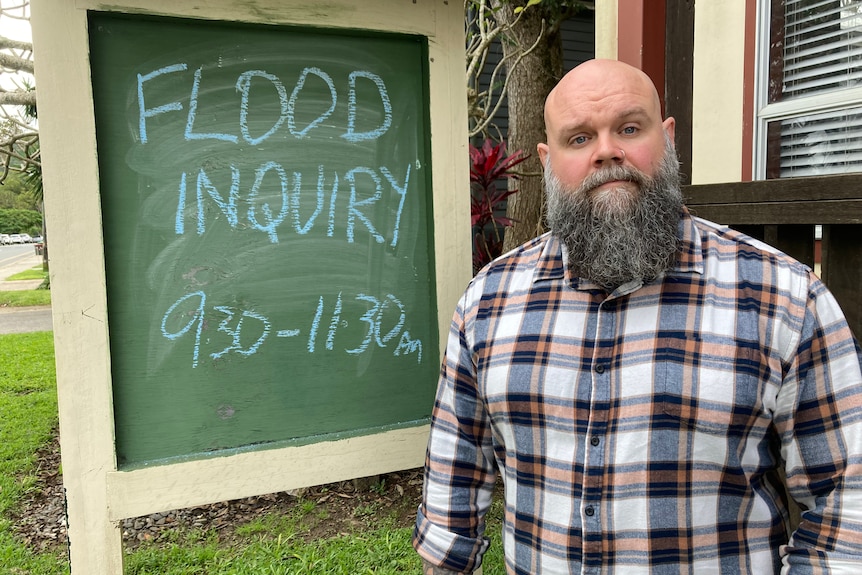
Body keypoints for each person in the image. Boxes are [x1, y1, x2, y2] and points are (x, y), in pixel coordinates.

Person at [413, 58, 862, 574]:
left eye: (629, 128)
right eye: (579, 138)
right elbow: (453, 482)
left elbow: (845, 501)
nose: (607, 151)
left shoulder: (784, 297)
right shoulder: (487, 302)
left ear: (666, 138)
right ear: (548, 158)